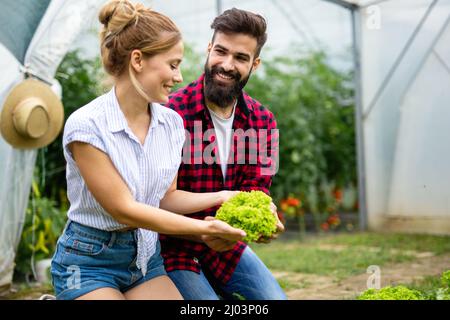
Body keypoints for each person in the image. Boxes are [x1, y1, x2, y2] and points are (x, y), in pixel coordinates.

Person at [50, 0, 247, 300]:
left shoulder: (171, 124)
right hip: (88, 261)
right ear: (138, 60)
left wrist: (223, 196)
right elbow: (125, 209)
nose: (179, 77)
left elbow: (165, 199)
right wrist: (201, 231)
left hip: (144, 259)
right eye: (173, 64)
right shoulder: (87, 126)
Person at [160, 8, 287, 300]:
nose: (227, 65)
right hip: (172, 247)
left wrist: (264, 219)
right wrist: (202, 229)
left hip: (228, 249)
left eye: (240, 58)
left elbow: (255, 192)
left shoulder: (262, 121)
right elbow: (157, 201)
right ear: (208, 49)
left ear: (254, 64)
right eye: (221, 51)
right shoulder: (171, 113)